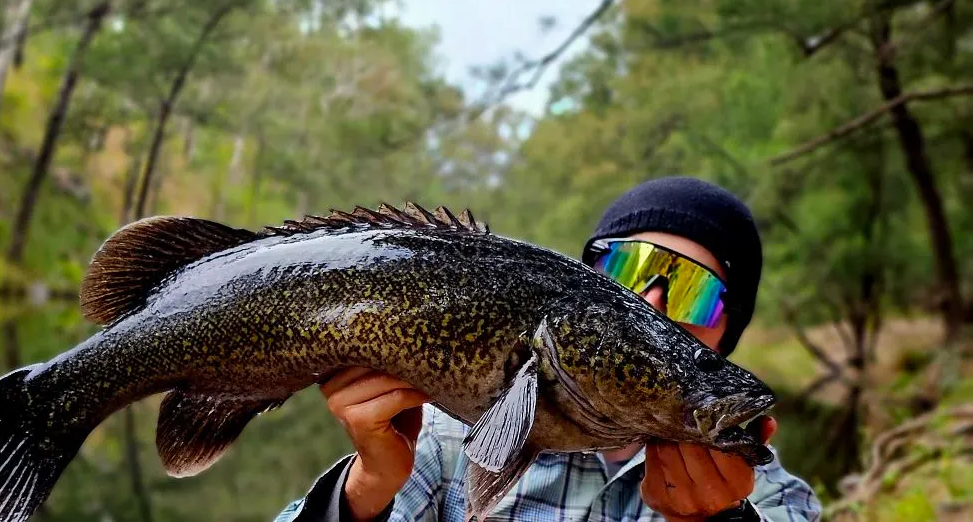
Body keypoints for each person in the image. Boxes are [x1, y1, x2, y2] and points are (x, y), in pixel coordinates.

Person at [273, 176, 822, 522]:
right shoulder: (444, 435)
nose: (652, 301)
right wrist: (365, 493)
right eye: (626, 267)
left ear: (728, 336)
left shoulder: (769, 495)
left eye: (695, 293)